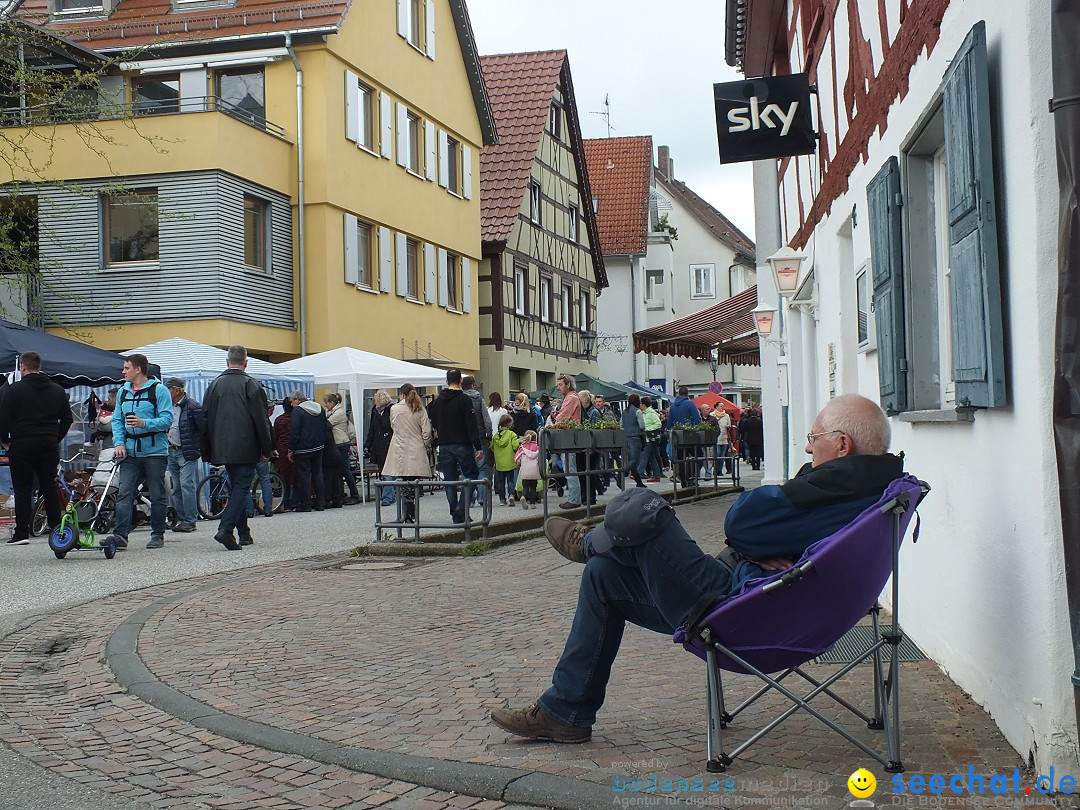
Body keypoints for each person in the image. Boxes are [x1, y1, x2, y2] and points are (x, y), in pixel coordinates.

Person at [489, 394, 904, 743]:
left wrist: (771, 551)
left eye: (814, 439)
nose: (810, 448)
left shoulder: (834, 488)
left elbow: (738, 521)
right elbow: (769, 537)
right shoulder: (873, 492)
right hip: (766, 605)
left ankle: (590, 542)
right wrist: (783, 557)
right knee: (603, 577)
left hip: (738, 611)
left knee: (643, 506)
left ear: (843, 445)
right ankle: (566, 712)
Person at [201, 346, 272, 550]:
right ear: (246, 362)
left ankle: (244, 534)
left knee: (236, 488)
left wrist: (206, 449)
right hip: (246, 445)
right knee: (241, 487)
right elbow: (261, 420)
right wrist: (267, 448)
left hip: (221, 445)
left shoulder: (214, 385)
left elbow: (204, 419)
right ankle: (226, 529)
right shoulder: (251, 385)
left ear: (227, 361)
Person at [0, 351, 73, 546]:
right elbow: (68, 419)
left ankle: (22, 532)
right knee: (49, 485)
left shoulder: (14, 390)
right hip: (48, 442)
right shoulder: (57, 390)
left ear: (22, 367)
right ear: (39, 366)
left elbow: (3, 418)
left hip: (22, 442)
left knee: (23, 488)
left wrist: (5, 440)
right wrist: (55, 436)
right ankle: (57, 528)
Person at [428, 369, 482, 523]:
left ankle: (456, 514)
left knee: (450, 481)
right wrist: (477, 445)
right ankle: (461, 506)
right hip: (462, 443)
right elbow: (472, 424)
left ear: (446, 381)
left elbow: (431, 415)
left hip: (444, 444)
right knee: (471, 476)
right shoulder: (464, 399)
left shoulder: (438, 400)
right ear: (460, 381)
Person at [382, 383, 432, 524]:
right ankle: (410, 512)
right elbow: (427, 431)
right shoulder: (420, 408)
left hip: (400, 448)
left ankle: (407, 513)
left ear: (401, 394)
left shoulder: (395, 409)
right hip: (416, 447)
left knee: (404, 482)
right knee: (414, 483)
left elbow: (393, 426)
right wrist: (425, 445)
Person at [164, 377, 201, 533]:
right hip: (170, 449)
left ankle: (190, 520)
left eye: (169, 389)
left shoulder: (193, 406)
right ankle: (182, 518)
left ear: (177, 390)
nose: (166, 392)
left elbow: (202, 429)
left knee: (186, 484)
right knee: (176, 487)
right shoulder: (167, 406)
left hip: (186, 450)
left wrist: (197, 448)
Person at [288, 391, 326, 513]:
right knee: (318, 474)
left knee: (304, 476)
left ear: (297, 400)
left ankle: (306, 504)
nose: (291, 404)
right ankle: (320, 503)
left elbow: (294, 431)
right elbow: (325, 426)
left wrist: (291, 449)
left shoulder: (298, 411)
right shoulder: (319, 408)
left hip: (303, 448)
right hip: (319, 446)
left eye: (292, 401)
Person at [325, 393, 360, 506]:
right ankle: (340, 494)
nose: (325, 406)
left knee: (345, 470)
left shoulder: (339, 413)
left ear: (331, 402)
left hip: (341, 443)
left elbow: (327, 424)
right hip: (338, 443)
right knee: (339, 471)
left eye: (326, 403)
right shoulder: (334, 412)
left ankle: (355, 495)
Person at [553, 374, 582, 510]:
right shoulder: (572, 397)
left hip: (568, 437)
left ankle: (574, 499)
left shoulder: (570, 398)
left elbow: (563, 417)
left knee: (570, 469)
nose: (558, 388)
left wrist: (556, 419)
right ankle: (574, 498)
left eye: (560, 385)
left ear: (568, 384)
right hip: (570, 436)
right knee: (570, 468)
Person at [460, 375, 492, 493]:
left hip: (464, 436)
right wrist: (489, 435)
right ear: (473, 386)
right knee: (482, 466)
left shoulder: (460, 399)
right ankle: (481, 496)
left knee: (466, 467)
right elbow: (486, 419)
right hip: (480, 436)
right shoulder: (479, 399)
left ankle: (468, 497)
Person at [668, 386, 701, 486]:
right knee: (698, 456)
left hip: (678, 436)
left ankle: (683, 480)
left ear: (678, 394)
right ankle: (691, 477)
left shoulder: (673, 406)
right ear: (687, 394)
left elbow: (669, 423)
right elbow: (697, 419)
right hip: (690, 435)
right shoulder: (689, 403)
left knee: (681, 459)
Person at [366, 390, 394, 507]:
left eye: (377, 401)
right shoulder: (375, 411)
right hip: (379, 446)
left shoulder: (391, 411)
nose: (376, 403)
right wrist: (367, 445)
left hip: (389, 444)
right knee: (385, 472)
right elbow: (372, 429)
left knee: (388, 472)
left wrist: (379, 416)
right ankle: (391, 495)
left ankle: (387, 497)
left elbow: (386, 426)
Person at [491, 413, 520, 507]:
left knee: (500, 481)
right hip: (510, 461)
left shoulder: (496, 435)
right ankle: (511, 495)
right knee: (510, 480)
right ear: (509, 424)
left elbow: (492, 448)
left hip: (499, 462)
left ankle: (502, 499)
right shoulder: (512, 434)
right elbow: (515, 446)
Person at [273, 398, 296, 511]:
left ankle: (287, 502)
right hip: (296, 449)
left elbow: (275, 437)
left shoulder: (279, 420)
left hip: (282, 451)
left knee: (284, 477)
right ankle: (296, 501)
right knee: (297, 476)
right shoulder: (297, 419)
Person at [621, 394, 646, 488]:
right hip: (635, 437)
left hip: (626, 437)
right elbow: (642, 426)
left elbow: (621, 424)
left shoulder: (624, 411)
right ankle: (622, 473)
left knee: (632, 460)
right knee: (634, 460)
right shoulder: (637, 411)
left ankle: (639, 482)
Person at [515, 430, 541, 509]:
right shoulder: (537, 448)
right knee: (533, 488)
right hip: (534, 471)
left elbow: (516, 459)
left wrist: (518, 463)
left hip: (525, 471)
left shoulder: (522, 448)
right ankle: (532, 504)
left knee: (525, 487)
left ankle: (523, 496)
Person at [640, 396, 663, 482]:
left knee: (644, 456)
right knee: (651, 458)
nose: (639, 406)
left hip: (650, 438)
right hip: (646, 438)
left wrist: (647, 429)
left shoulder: (651, 413)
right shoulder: (644, 413)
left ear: (644, 405)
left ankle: (638, 472)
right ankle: (657, 475)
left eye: (640, 404)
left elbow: (658, 424)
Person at [713, 404, 733, 476]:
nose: (722, 407)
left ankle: (719, 470)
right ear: (716, 407)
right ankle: (715, 469)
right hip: (716, 438)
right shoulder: (712, 415)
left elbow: (729, 425)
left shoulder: (726, 416)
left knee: (722, 455)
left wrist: (728, 426)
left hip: (724, 438)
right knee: (717, 454)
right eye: (721, 406)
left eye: (723, 406)